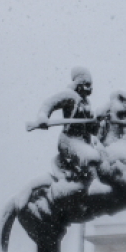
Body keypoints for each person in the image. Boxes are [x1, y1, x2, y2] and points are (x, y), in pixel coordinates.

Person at [32, 66, 103, 197]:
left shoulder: (86, 103)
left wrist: (97, 122)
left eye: (91, 85)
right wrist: (43, 117)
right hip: (69, 140)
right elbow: (49, 104)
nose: (90, 89)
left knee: (101, 157)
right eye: (87, 85)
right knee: (91, 157)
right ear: (79, 84)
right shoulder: (69, 96)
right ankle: (95, 187)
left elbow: (92, 129)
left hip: (83, 142)